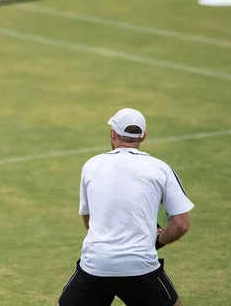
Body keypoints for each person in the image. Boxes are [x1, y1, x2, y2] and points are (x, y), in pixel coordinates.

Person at [57, 108, 194, 306]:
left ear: (113, 133)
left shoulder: (91, 165)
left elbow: (90, 222)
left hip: (96, 265)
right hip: (141, 267)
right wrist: (157, 241)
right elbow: (181, 224)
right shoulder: (160, 168)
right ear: (144, 136)